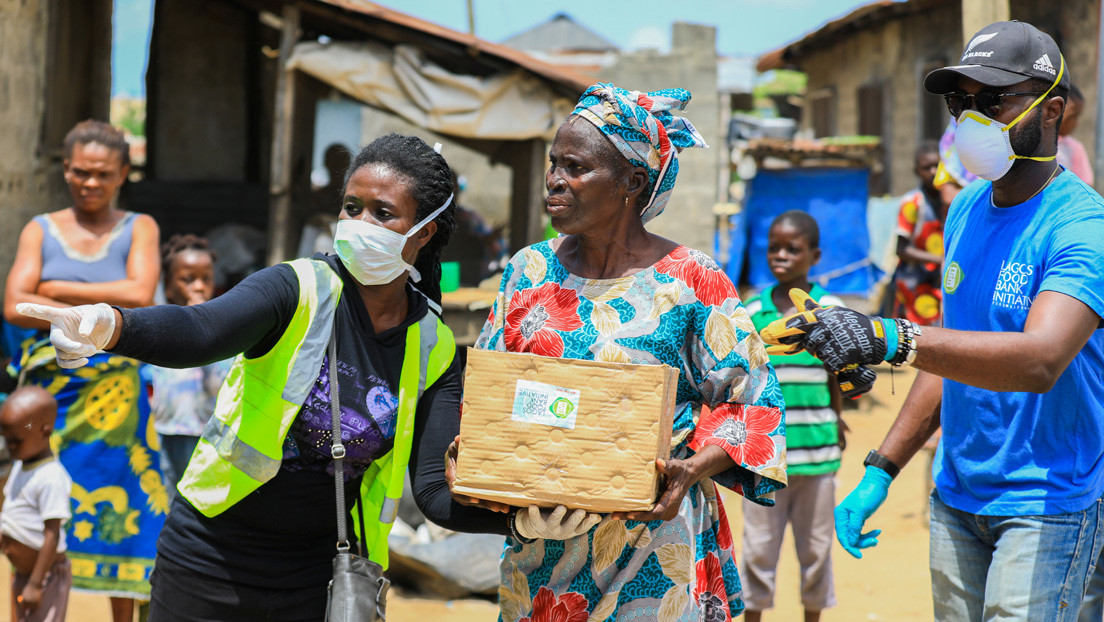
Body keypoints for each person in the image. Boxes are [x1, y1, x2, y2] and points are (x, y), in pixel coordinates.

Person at [18, 132, 509, 621]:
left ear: (423, 232)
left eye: (382, 213)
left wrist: (523, 520)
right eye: (351, 207)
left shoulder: (433, 346)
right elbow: (201, 330)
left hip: (322, 579)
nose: (360, 224)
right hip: (209, 558)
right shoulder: (297, 288)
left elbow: (434, 493)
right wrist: (112, 325)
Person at [761, 21, 1104, 620]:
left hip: (1047, 502)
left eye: (993, 100)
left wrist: (890, 336)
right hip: (957, 495)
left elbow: (1041, 359)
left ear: (1052, 112)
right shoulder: (967, 210)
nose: (970, 118)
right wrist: (882, 467)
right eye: (959, 101)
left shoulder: (1081, 226)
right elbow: (948, 359)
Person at [453, 83, 786, 621]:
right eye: (554, 164)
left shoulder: (690, 279)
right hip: (543, 554)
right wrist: (469, 460)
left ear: (633, 181)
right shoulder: (528, 270)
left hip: (655, 551)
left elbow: (753, 406)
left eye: (576, 167)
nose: (556, 180)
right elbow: (491, 391)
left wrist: (690, 470)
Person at [2, 119, 162, 622]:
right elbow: (13, 304)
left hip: (116, 405)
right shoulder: (40, 229)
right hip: (48, 399)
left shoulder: (141, 227)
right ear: (65, 171)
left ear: (122, 175)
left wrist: (51, 290)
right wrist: (97, 295)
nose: (89, 183)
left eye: (102, 174)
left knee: (127, 511)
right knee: (31, 513)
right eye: (79, 173)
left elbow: (142, 295)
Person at [741, 210, 844, 622]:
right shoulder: (751, 312)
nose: (780, 256)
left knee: (816, 549)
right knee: (758, 549)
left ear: (814, 255)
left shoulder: (831, 309)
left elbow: (837, 376)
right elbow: (746, 382)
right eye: (773, 248)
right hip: (766, 455)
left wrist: (837, 422)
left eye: (792, 249)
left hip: (818, 451)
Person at [141, 235, 232, 500]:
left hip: (209, 434)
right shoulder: (160, 327)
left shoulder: (224, 329)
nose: (199, 287)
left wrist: (203, 328)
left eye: (206, 279)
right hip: (167, 430)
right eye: (188, 279)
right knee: (172, 497)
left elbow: (223, 380)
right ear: (168, 287)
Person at [0, 386, 73, 622]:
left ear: (45, 431)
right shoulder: (21, 465)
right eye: (6, 439)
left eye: (15, 440)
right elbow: (11, 512)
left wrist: (34, 584)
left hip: (45, 577)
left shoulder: (51, 477)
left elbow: (52, 534)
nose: (8, 446)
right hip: (24, 574)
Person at [890, 141, 946, 326]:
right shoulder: (913, 202)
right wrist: (940, 259)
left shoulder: (953, 199)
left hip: (941, 280)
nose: (932, 172)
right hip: (916, 282)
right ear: (917, 171)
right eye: (926, 168)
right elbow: (901, 249)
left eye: (936, 166)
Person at [1057, 84, 1094, 184]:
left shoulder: (1074, 147)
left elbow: (1085, 185)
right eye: (1072, 116)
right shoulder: (1037, 142)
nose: (1076, 123)